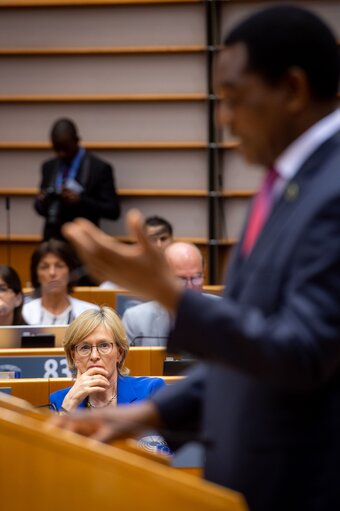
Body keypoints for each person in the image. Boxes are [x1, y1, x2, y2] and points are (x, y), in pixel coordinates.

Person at [51, 5, 340, 511]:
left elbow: (302, 352)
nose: (222, 119)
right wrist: (147, 414)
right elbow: (252, 345)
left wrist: (167, 293)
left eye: (233, 99)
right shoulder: (291, 184)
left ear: (292, 90)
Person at [50, 307, 165, 411]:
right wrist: (70, 404)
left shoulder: (150, 391)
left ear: (119, 353)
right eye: (85, 347)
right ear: (73, 356)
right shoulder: (59, 401)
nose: (94, 356)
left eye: (104, 345)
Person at [34, 118, 120, 240]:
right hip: (53, 239)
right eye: (56, 148)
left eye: (65, 148)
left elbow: (113, 211)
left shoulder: (98, 168)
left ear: (77, 141)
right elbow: (39, 208)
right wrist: (42, 202)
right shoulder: (49, 166)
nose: (61, 154)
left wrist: (80, 201)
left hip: (85, 240)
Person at [122, 242, 205, 345]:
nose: (189, 286)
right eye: (181, 279)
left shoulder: (223, 314)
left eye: (196, 277)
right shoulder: (135, 319)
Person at [23, 239, 97, 325]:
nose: (52, 273)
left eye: (59, 266)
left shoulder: (90, 314)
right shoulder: (24, 314)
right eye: (45, 267)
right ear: (36, 275)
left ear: (70, 272)